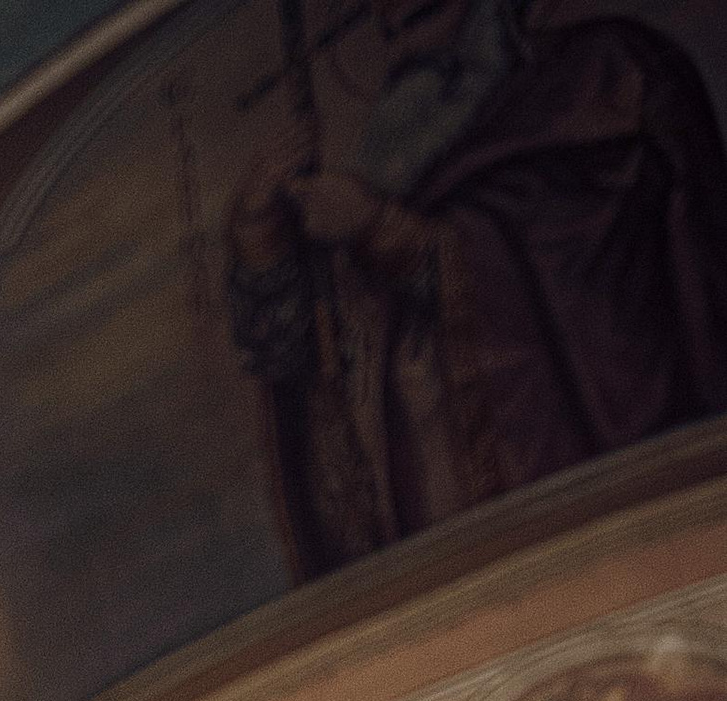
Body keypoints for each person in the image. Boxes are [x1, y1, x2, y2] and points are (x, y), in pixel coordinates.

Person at [226, 0, 727, 578]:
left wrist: (386, 231)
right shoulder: (391, 146)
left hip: (586, 498)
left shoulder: (598, 71)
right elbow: (330, 351)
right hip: (431, 516)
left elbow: (595, 260)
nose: (399, 21)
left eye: (421, 11)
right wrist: (261, 239)